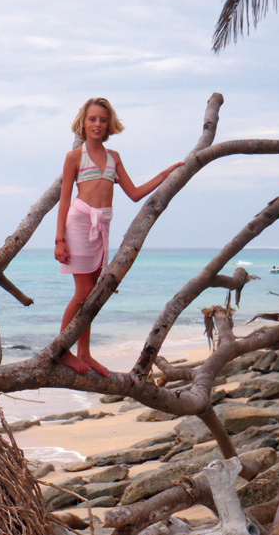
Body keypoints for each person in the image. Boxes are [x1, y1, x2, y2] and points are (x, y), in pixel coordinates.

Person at [54, 98, 184, 376]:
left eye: (102, 119)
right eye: (92, 119)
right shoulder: (74, 157)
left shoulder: (114, 157)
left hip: (102, 227)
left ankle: (85, 353)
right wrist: (59, 240)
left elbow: (135, 193)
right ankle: (62, 350)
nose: (97, 124)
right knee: (83, 293)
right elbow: (64, 199)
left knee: (93, 296)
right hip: (78, 223)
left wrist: (165, 174)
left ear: (108, 124)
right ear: (83, 123)